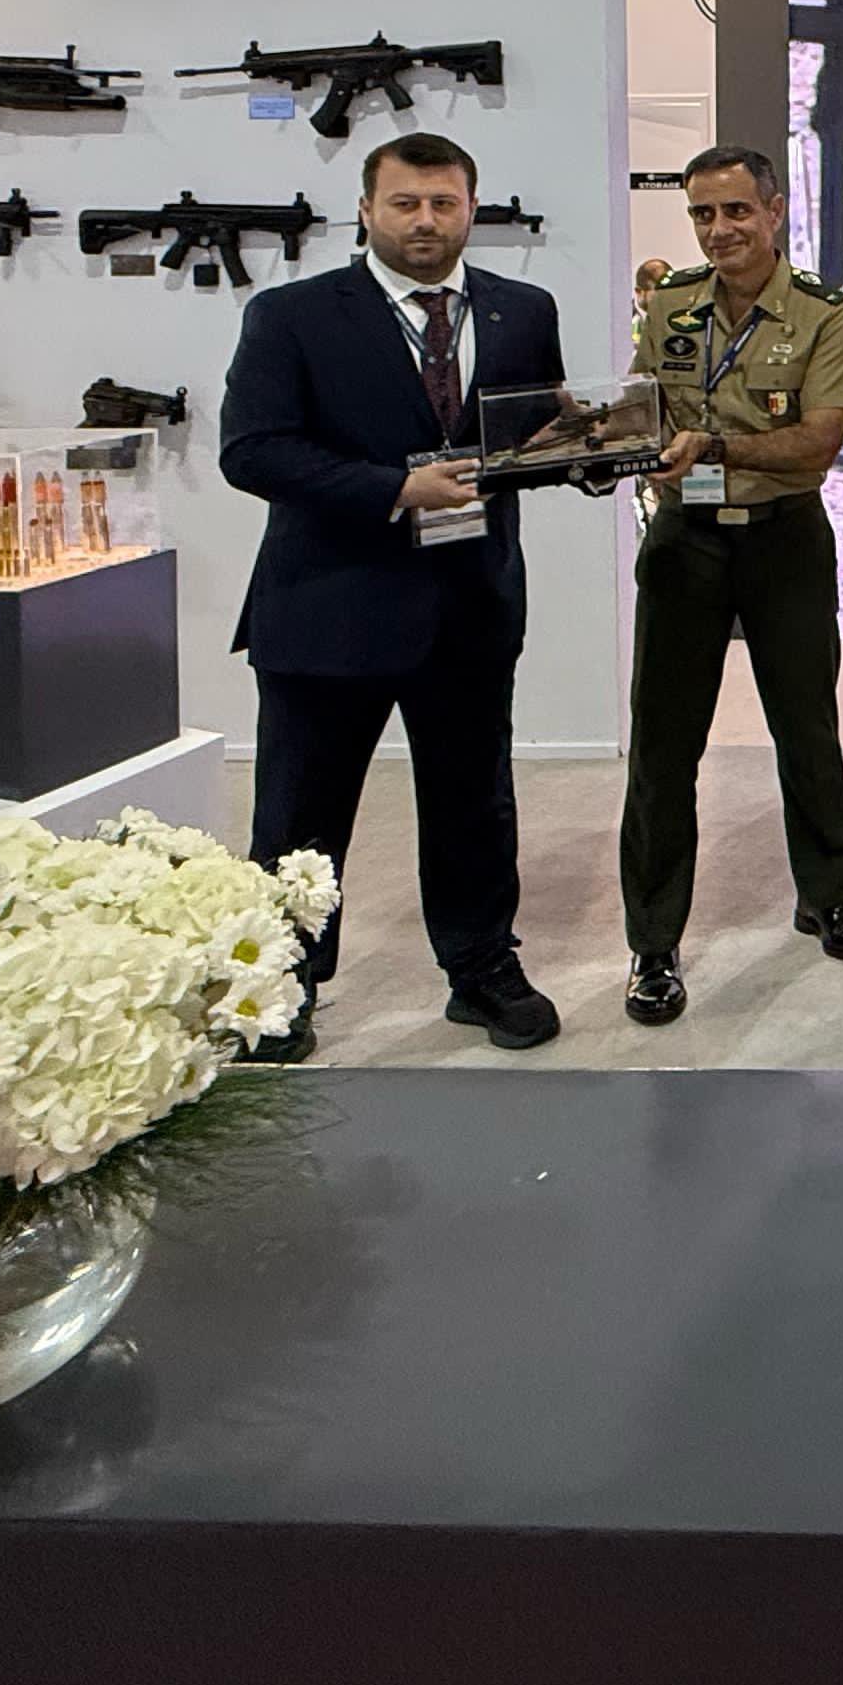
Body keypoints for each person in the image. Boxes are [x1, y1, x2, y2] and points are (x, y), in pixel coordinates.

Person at [220, 132, 566, 1055]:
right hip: (329, 606)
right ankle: (279, 986)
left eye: (443, 204)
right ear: (366, 210)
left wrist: (595, 451)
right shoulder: (291, 315)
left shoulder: (523, 311)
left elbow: (530, 436)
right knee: (301, 815)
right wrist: (394, 488)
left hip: (470, 607)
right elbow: (252, 452)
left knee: (474, 803)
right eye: (405, 203)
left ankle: (481, 968)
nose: (425, 221)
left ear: (471, 210)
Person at [617, 146, 843, 1028]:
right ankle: (653, 944)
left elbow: (818, 442)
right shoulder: (672, 305)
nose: (719, 229)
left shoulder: (823, 313)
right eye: (702, 214)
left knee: (806, 729)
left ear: (773, 212)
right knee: (663, 749)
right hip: (685, 542)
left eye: (735, 211)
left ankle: (827, 899)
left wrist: (715, 446)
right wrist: (600, 438)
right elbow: (645, 410)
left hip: (783, 540)